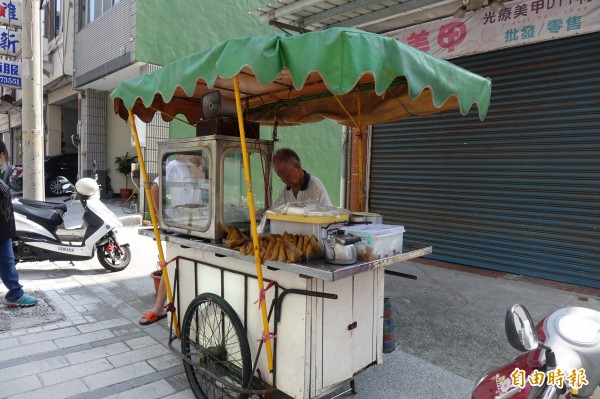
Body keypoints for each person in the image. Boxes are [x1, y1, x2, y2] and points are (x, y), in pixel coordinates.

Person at [139, 153, 205, 325]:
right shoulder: (173, 166)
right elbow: (154, 187)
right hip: (179, 218)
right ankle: (159, 308)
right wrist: (159, 214)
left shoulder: (198, 167)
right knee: (171, 261)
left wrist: (191, 163)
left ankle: (186, 306)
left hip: (199, 219)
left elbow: (202, 178)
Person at [0, 140, 38, 307]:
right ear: (2, 155)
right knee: (7, 262)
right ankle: (15, 294)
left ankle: (15, 293)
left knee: (7, 262)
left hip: (4, 229)